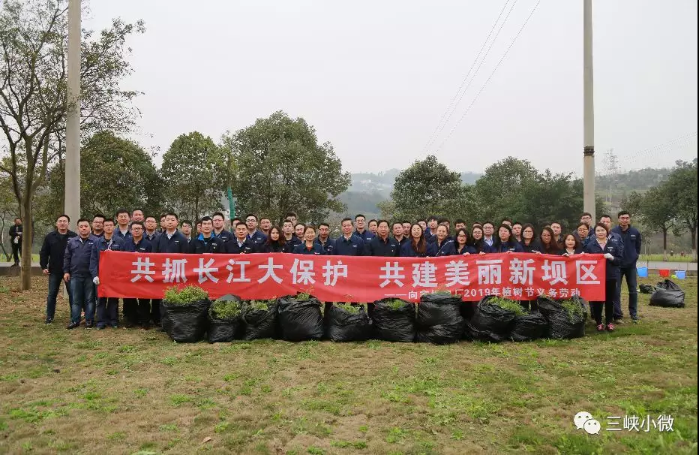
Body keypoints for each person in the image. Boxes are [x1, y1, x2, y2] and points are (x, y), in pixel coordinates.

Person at [151, 213, 189, 327]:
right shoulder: (158, 238)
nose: (170, 222)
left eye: (172, 220)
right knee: (161, 297)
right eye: (168, 219)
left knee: (175, 297)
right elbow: (153, 256)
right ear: (164, 222)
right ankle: (161, 321)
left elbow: (186, 258)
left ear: (177, 222)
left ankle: (175, 322)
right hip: (162, 273)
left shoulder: (182, 239)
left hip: (177, 273)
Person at [584, 223, 623, 331]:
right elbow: (585, 261)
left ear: (607, 231)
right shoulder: (590, 245)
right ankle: (599, 322)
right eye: (598, 230)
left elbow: (619, 260)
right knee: (597, 300)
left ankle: (609, 322)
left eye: (602, 230)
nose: (600, 232)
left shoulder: (613, 244)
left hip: (610, 276)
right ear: (595, 233)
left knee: (610, 300)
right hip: (595, 278)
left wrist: (612, 258)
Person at [40, 214, 76, 324]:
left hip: (69, 271)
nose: (62, 223)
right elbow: (44, 252)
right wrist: (43, 266)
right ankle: (49, 316)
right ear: (56, 223)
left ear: (68, 223)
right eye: (60, 221)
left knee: (73, 294)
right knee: (52, 294)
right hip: (54, 270)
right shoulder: (50, 237)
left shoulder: (73, 236)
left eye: (65, 221)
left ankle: (74, 316)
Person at [63, 219, 99, 329]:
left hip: (90, 275)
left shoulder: (96, 241)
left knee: (90, 299)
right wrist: (66, 271)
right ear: (77, 228)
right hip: (75, 275)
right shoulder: (72, 241)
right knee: (75, 299)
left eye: (86, 226)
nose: (84, 228)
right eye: (81, 226)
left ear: (90, 228)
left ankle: (89, 320)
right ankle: (75, 320)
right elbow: (67, 257)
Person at [90, 219, 125, 330]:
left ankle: (113, 320)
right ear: (103, 227)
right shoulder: (97, 242)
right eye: (106, 225)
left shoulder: (120, 241)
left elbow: (124, 259)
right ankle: (101, 321)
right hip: (101, 276)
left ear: (114, 227)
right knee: (101, 299)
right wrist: (95, 275)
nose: (109, 227)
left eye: (111, 225)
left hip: (114, 275)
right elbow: (93, 260)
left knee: (113, 299)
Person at [611, 210, 642, 324]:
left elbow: (638, 247)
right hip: (617, 266)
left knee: (633, 290)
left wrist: (635, 256)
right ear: (618, 219)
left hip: (631, 266)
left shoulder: (635, 232)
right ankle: (617, 314)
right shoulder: (613, 232)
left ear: (629, 219)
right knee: (616, 291)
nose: (625, 220)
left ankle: (633, 313)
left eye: (627, 218)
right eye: (622, 218)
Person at [123, 221, 152, 328]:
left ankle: (145, 321)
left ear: (143, 230)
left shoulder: (148, 244)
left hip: (143, 275)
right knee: (129, 299)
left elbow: (152, 259)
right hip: (130, 275)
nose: (136, 230)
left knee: (144, 299)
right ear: (130, 230)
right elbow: (121, 259)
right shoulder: (126, 244)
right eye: (134, 229)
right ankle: (132, 320)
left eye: (139, 228)